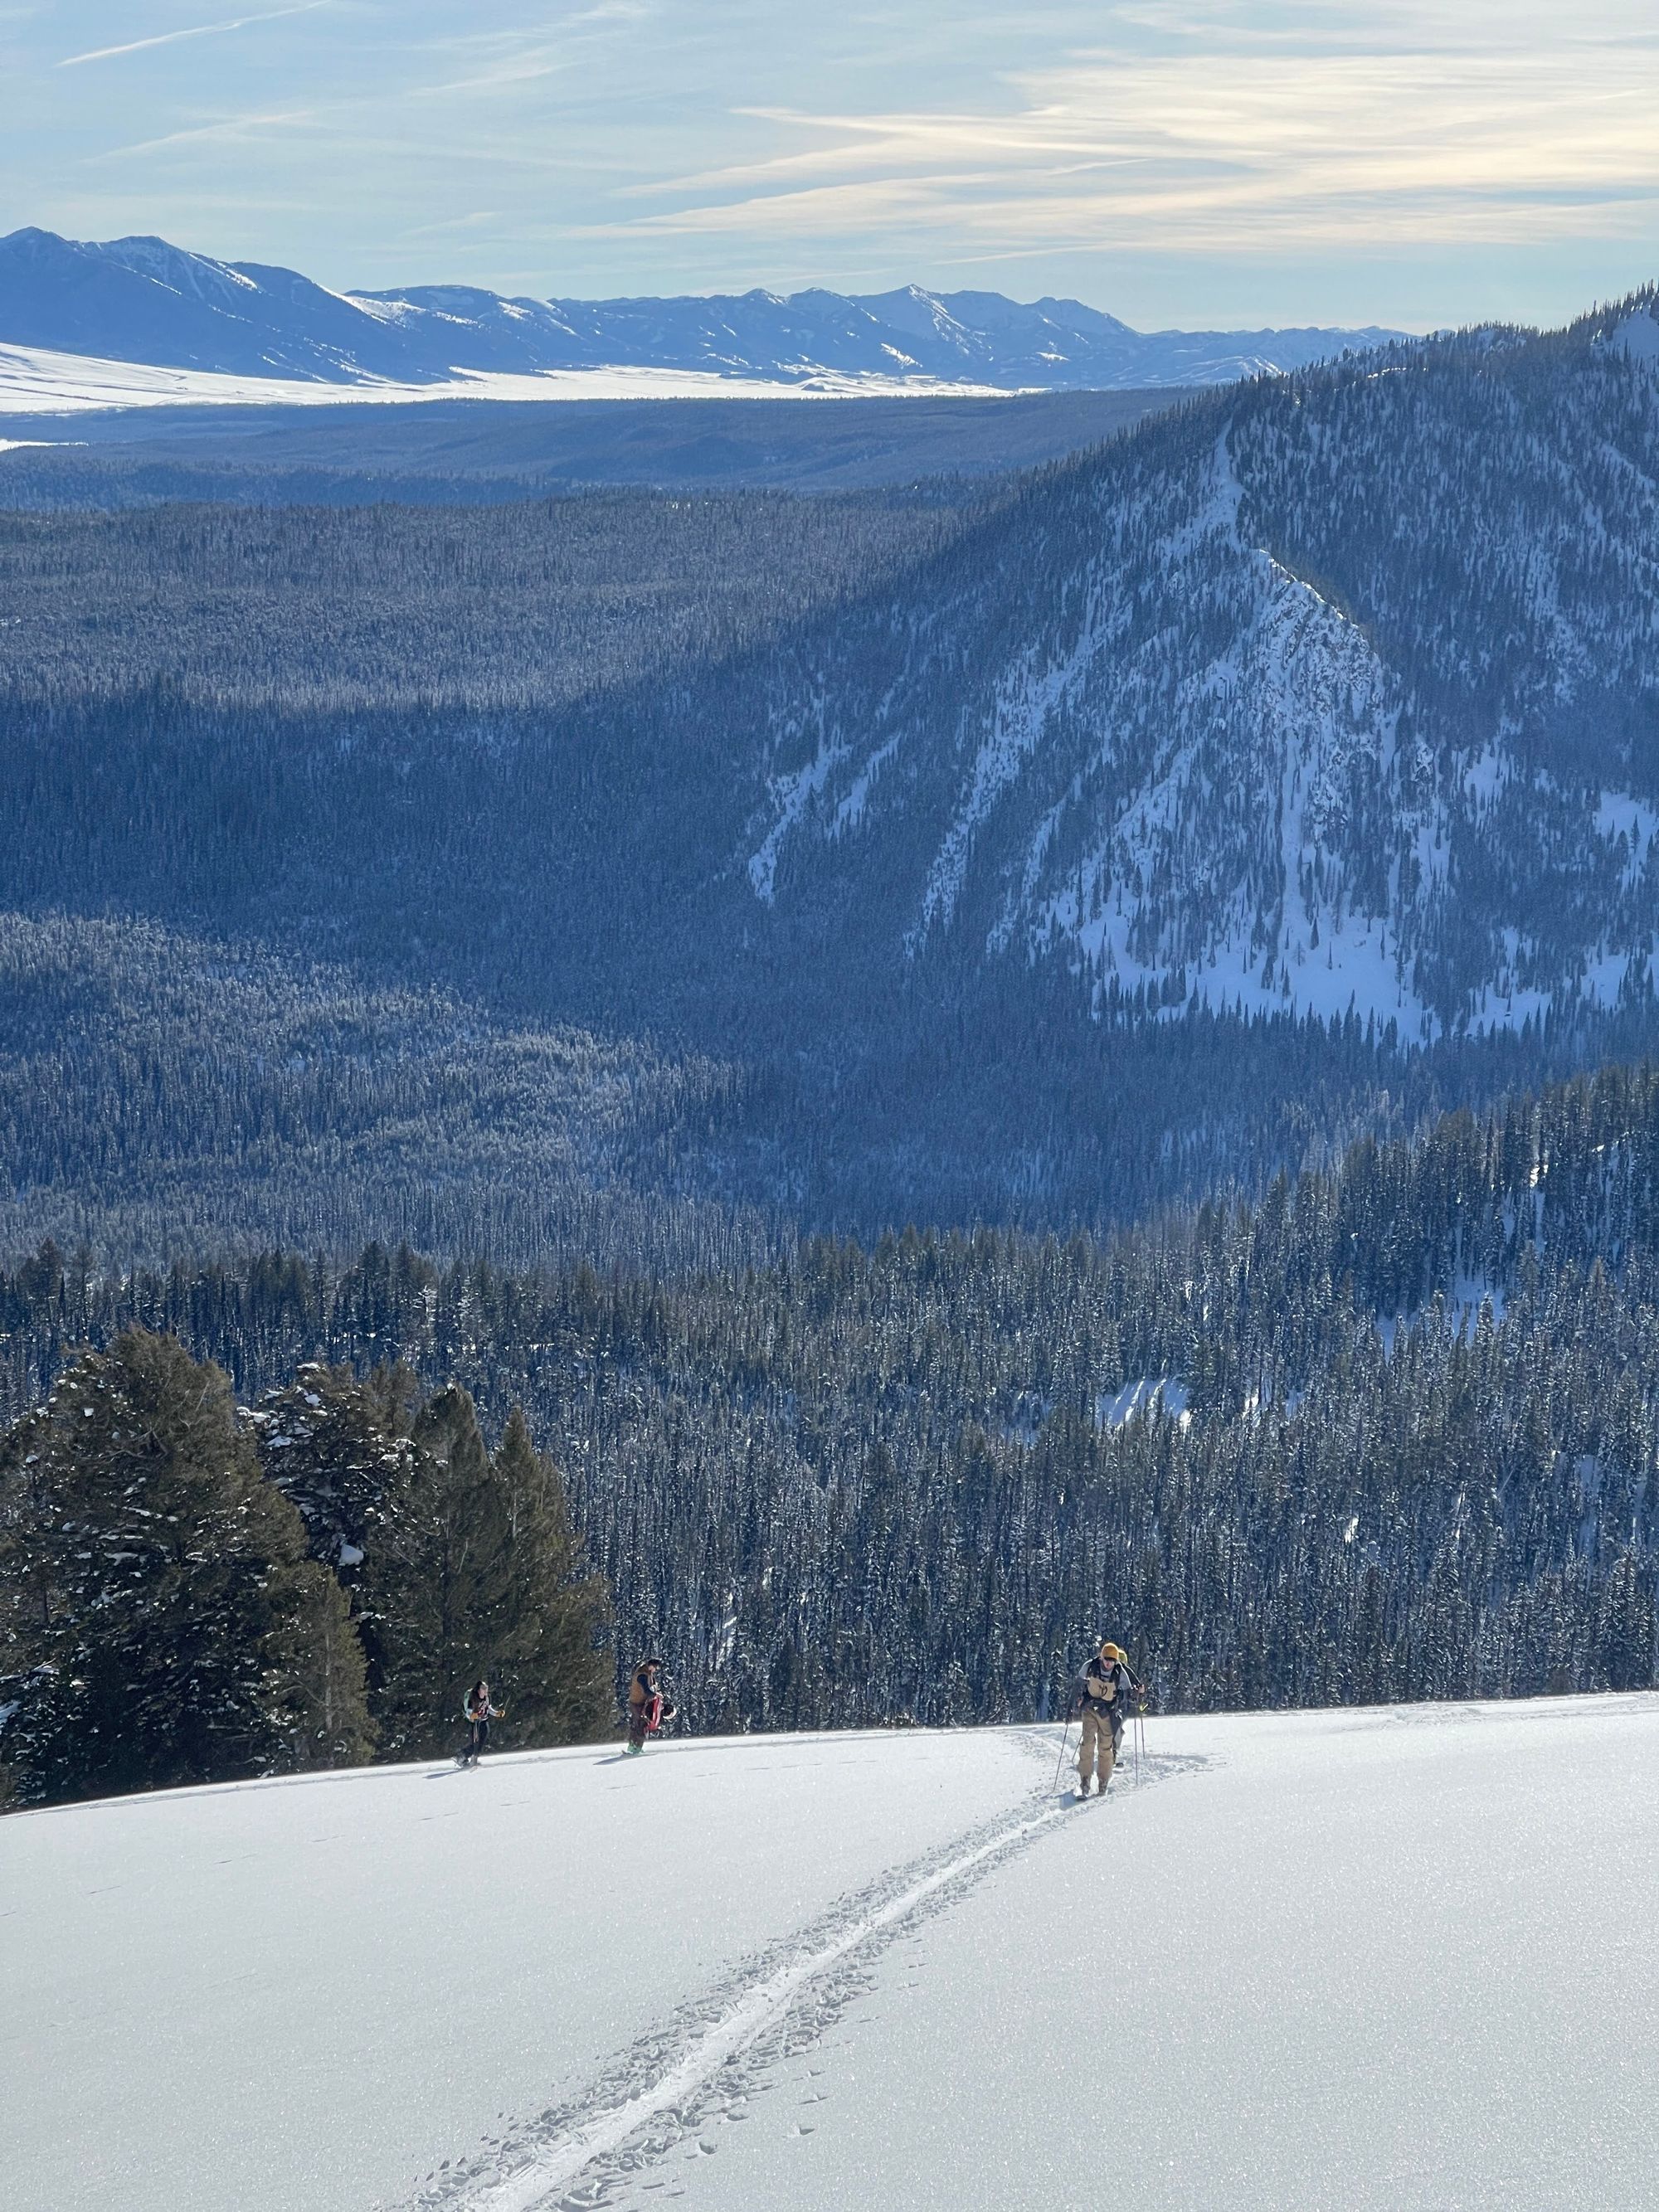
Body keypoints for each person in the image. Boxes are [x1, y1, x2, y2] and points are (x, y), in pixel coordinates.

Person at [1073, 1639, 1143, 1796]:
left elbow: (1129, 1690)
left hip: (1108, 1712)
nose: (1109, 1664)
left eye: (1112, 1661)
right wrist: (1072, 1706)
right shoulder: (1090, 1666)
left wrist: (1137, 1693)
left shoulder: (1120, 1672)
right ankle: (1085, 1780)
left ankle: (1103, 1782)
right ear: (1101, 1657)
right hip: (1090, 1710)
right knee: (1087, 1744)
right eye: (1107, 1660)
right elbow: (1078, 1684)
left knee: (1105, 1748)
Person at [625, 1655, 675, 1754]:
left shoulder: (648, 1674)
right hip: (637, 1703)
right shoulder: (642, 1675)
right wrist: (656, 1694)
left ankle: (633, 1746)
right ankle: (636, 1748)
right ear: (652, 1666)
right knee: (641, 1725)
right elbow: (647, 1691)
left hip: (640, 1702)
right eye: (656, 1668)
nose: (656, 1670)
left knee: (638, 1724)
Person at [460, 1679, 501, 1767]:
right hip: (474, 1723)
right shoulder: (473, 1698)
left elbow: (488, 1708)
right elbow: (468, 1712)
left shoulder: (487, 1698)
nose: (486, 1690)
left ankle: (474, 1760)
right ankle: (462, 1756)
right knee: (475, 1742)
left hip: (484, 1721)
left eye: (486, 1688)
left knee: (481, 1742)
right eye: (483, 1688)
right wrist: (472, 1716)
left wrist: (497, 1713)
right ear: (478, 1689)